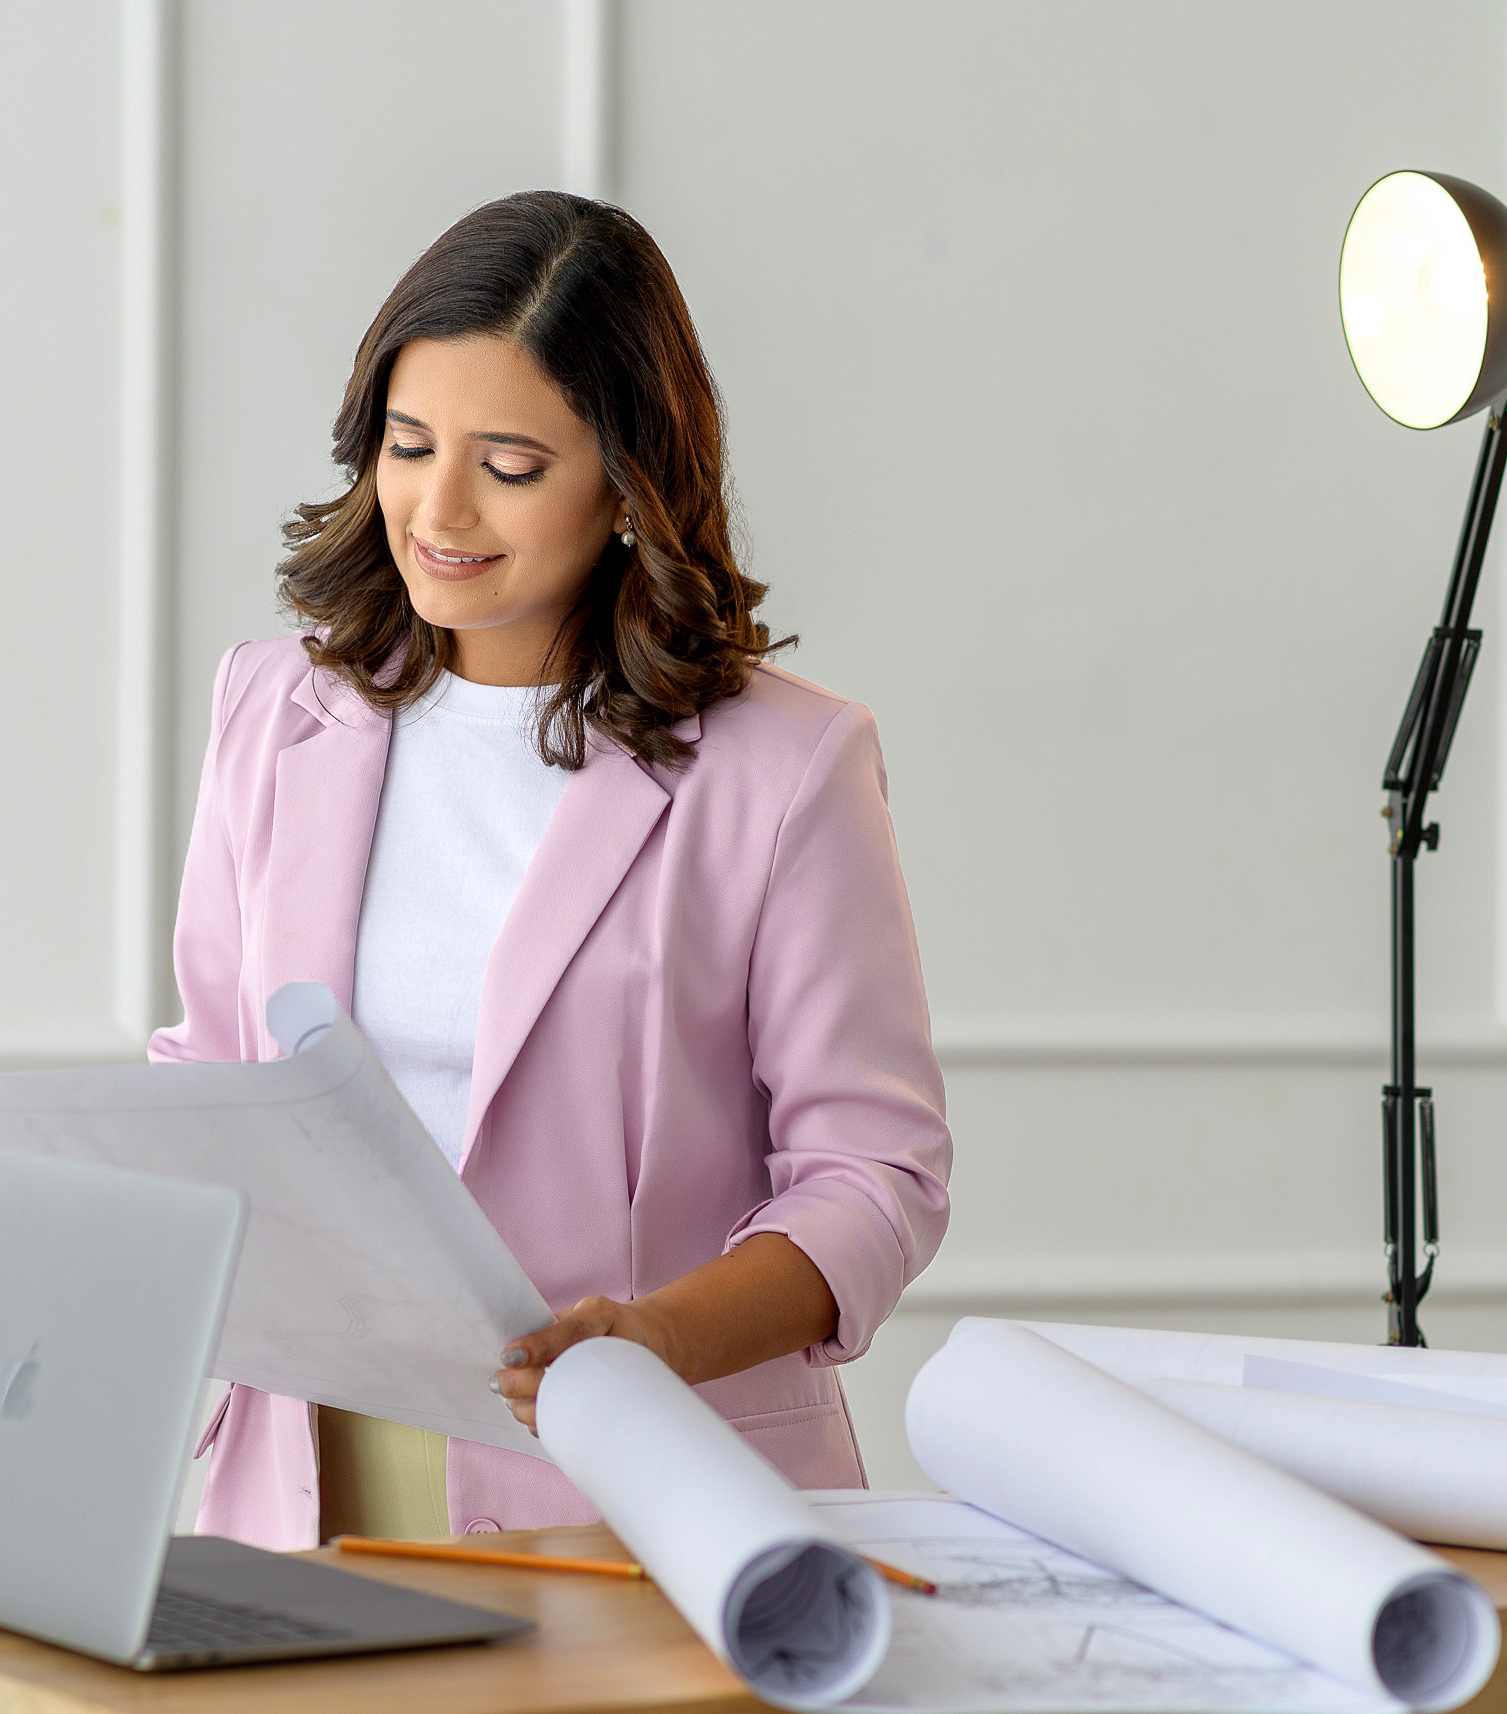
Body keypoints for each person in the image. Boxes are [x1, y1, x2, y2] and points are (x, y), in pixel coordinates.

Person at [150, 191, 951, 1549]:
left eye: (509, 465)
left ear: (630, 487)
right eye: (408, 445)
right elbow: (212, 1070)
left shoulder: (786, 767)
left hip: (650, 1496)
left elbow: (877, 1174)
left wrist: (653, 1337)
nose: (438, 508)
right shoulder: (272, 708)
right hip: (307, 1469)